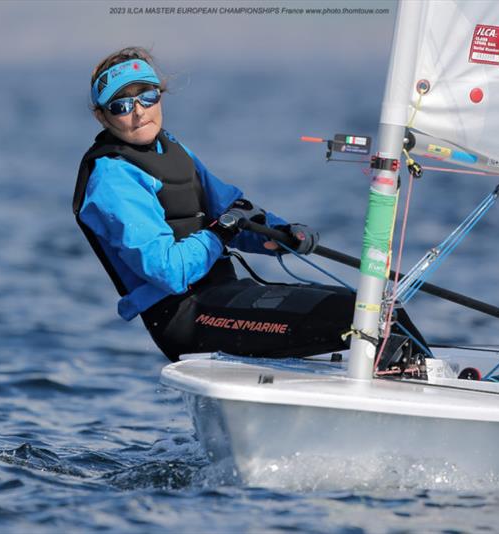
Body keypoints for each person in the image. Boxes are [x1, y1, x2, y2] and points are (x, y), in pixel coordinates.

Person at [74, 47, 425, 362]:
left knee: (381, 314)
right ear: (103, 117)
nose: (139, 113)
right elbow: (168, 270)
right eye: (122, 106)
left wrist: (279, 233)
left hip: (225, 295)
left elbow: (231, 208)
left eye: (147, 96)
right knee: (356, 318)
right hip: (185, 317)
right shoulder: (112, 179)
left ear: (160, 95)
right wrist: (219, 234)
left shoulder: (173, 151)